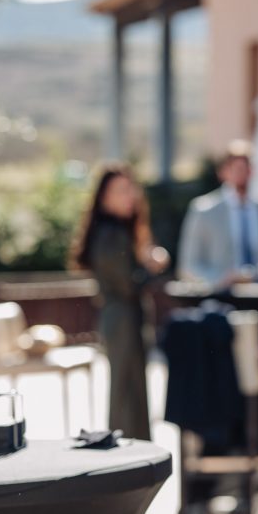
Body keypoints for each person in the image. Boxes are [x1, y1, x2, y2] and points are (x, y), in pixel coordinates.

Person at [72, 164, 168, 440]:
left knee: (134, 394)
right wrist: (152, 265)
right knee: (126, 395)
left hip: (125, 318)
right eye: (121, 190)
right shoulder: (109, 233)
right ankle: (127, 463)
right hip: (122, 319)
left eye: (131, 189)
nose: (130, 196)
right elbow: (129, 284)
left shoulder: (118, 230)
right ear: (104, 197)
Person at [177, 139, 258, 289]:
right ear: (222, 172)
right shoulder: (204, 210)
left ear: (253, 170)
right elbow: (189, 265)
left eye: (245, 167)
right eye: (235, 168)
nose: (240, 173)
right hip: (221, 295)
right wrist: (221, 279)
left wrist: (257, 275)